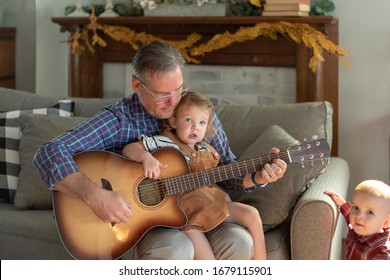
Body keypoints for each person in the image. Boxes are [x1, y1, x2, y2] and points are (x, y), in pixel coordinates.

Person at [33, 41, 287, 260]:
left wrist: (257, 178)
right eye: (162, 95)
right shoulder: (119, 120)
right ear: (137, 85)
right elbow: (49, 152)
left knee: (239, 240)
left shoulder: (195, 114)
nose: (173, 102)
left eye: (178, 90)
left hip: (196, 211)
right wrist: (95, 196)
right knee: (177, 249)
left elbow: (223, 170)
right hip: (142, 223)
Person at [122, 91, 267, 259]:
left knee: (252, 214)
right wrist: (146, 157)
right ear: (173, 121)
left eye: (202, 122)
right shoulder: (164, 143)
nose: (195, 127)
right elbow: (129, 149)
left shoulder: (207, 150)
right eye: (189, 120)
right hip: (183, 215)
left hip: (206, 203)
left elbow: (224, 174)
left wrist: (258, 178)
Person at [324, 180, 390, 260]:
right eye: (356, 207)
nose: (359, 216)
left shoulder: (381, 253)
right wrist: (342, 204)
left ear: (386, 222)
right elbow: (349, 215)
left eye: (370, 212)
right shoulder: (358, 226)